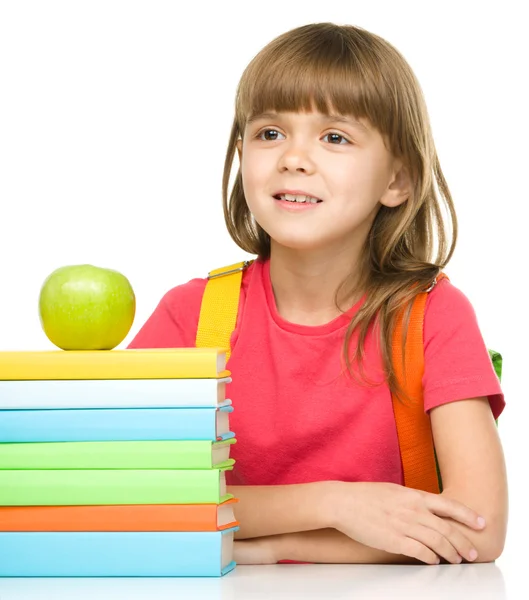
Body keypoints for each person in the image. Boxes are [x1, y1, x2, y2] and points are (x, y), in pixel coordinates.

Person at [128, 22, 507, 566]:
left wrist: (280, 546)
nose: (293, 158)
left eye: (335, 137)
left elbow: (477, 529)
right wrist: (334, 503)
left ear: (397, 180)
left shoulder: (434, 316)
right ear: (242, 157)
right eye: (270, 133)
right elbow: (136, 494)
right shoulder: (189, 315)